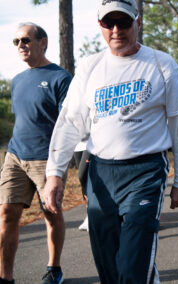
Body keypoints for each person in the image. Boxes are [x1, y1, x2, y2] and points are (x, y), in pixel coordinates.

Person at [43, 1, 178, 282]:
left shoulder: (161, 64)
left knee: (133, 262)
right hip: (101, 173)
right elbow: (70, 123)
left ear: (137, 23)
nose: (116, 30)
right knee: (108, 263)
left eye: (123, 22)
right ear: (100, 26)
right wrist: (54, 175)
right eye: (108, 23)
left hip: (145, 172)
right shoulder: (90, 67)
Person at [0, 23, 71, 284]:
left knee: (51, 214)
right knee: (7, 213)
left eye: (26, 40)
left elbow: (67, 123)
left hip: (45, 158)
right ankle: (5, 276)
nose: (21, 45)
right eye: (16, 41)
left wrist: (59, 163)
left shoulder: (61, 78)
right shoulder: (17, 80)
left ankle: (54, 269)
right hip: (15, 156)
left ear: (43, 42)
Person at [73, 138, 90, 232]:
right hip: (78, 142)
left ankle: (92, 214)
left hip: (92, 142)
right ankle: (89, 215)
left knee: (83, 175)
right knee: (83, 181)